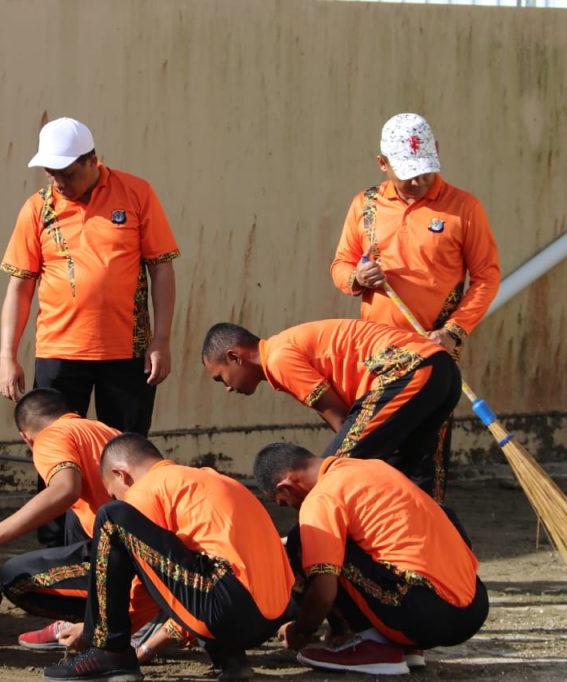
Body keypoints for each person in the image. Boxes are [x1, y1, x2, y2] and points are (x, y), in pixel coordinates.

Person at [0, 116, 179, 548]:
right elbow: (20, 287)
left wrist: (161, 340)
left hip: (128, 352)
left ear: (92, 159)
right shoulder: (37, 208)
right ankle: (55, 548)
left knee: (127, 453)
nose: (58, 181)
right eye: (50, 173)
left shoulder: (136, 193)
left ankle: (124, 542)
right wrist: (7, 355)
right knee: (54, 453)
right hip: (59, 352)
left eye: (66, 172)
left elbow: (162, 269)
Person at [44, 433, 293, 682]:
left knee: (112, 517)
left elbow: (147, 581)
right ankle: (231, 659)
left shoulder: (148, 488)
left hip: (230, 608)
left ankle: (108, 653)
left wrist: (97, 632)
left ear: (121, 474)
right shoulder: (212, 479)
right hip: (272, 616)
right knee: (204, 559)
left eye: (114, 493)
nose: (119, 498)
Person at [253, 442, 488, 675]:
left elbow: (324, 594)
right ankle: (405, 646)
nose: (292, 508)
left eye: (284, 502)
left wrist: (301, 631)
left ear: (286, 486)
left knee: (302, 540)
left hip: (425, 616)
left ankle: (371, 643)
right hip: (474, 607)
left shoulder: (321, 498)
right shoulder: (373, 467)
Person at [202, 320, 460, 501]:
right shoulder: (283, 347)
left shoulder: (278, 359)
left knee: (327, 475)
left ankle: (310, 549)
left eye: (220, 378)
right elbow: (354, 427)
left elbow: (342, 421)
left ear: (235, 357)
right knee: (415, 482)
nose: (227, 388)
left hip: (407, 371)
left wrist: (319, 488)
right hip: (441, 368)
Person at [0, 388, 118, 649]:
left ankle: (109, 622)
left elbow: (65, 489)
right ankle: (92, 620)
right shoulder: (105, 431)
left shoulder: (50, 436)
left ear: (25, 437)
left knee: (15, 578)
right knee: (77, 512)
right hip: (152, 551)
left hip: (129, 565)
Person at [330, 112, 500, 354]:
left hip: (433, 348)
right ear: (382, 163)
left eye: (425, 172)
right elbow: (341, 264)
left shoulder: (465, 208)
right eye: (408, 174)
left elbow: (487, 278)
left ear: (437, 151)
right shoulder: (365, 204)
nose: (418, 182)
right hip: (374, 348)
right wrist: (358, 277)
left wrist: (452, 332)